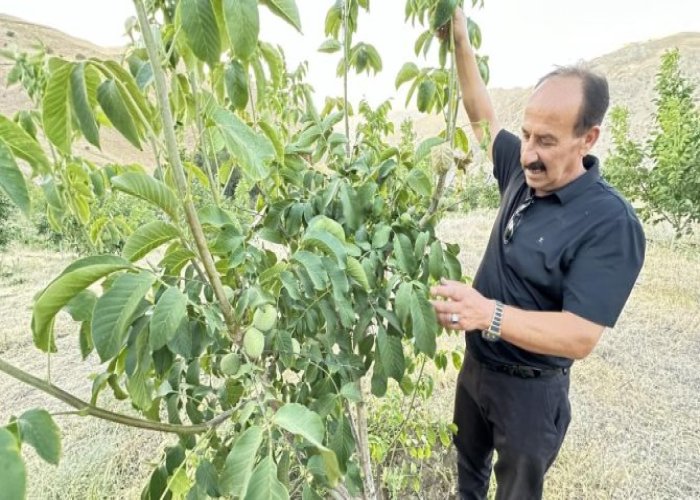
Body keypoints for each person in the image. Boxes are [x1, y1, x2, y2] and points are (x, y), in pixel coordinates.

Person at [430, 9, 646, 500]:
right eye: (527, 134)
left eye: (546, 141)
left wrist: (487, 313)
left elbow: (579, 335)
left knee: (515, 494)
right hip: (477, 369)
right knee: (467, 476)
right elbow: (482, 115)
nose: (528, 152)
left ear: (587, 139)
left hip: (530, 393)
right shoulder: (521, 170)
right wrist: (461, 38)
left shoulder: (611, 223)